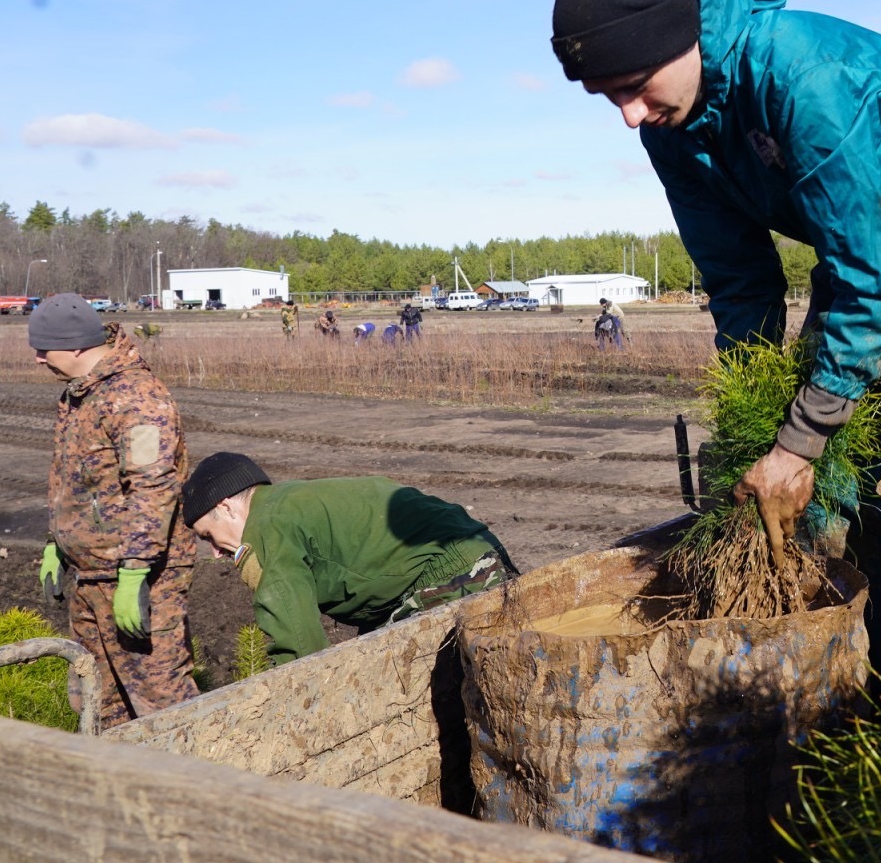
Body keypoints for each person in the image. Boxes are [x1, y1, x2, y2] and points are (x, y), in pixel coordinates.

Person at [551, 0, 881, 642]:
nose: (629, 114)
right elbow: (738, 280)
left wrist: (800, 438)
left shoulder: (795, 72)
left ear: (675, 39)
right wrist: (760, 429)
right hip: (870, 245)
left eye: (635, 84)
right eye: (609, 98)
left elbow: (878, 284)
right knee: (827, 487)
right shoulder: (669, 133)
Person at [29, 293, 198, 725]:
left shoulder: (137, 399)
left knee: (162, 702)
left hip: (139, 579)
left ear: (76, 347)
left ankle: (196, 788)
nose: (37, 359)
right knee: (96, 701)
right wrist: (57, 543)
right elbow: (73, 479)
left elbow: (153, 485)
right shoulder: (78, 396)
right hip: (91, 576)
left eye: (43, 349)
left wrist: (136, 571)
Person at [181, 453, 519, 665]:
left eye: (207, 535)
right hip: (474, 551)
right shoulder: (287, 502)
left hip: (453, 571)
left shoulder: (264, 528)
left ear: (226, 506)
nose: (213, 552)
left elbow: (299, 645)